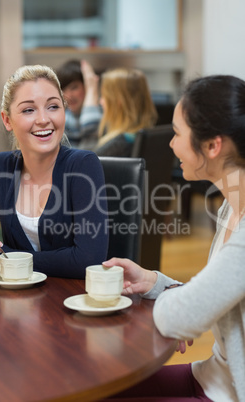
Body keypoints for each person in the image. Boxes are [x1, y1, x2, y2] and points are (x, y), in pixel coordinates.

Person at [102, 75, 245, 401]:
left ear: (212, 145)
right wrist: (154, 281)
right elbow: (215, 295)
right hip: (211, 376)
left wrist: (180, 314)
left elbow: (184, 316)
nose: (171, 143)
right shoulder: (230, 207)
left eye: (178, 133)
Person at [0, 64, 108, 278]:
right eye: (29, 109)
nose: (44, 119)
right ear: (7, 120)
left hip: (69, 302)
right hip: (12, 301)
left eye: (53, 106)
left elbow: (87, 260)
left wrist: (4, 257)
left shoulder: (83, 165)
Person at [94, 68, 158, 157]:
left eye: (104, 96)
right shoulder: (146, 137)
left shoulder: (118, 144)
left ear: (118, 101)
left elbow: (83, 165)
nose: (101, 101)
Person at [56, 59, 102, 149]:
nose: (68, 95)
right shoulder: (64, 118)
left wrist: (92, 90)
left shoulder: (102, 113)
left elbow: (90, 127)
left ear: (87, 86)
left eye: (74, 88)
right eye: (63, 89)